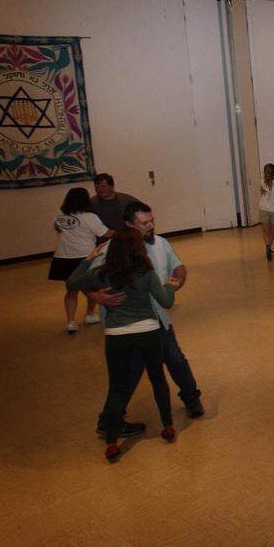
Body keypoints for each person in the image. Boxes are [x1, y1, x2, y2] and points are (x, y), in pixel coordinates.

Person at [88, 202, 205, 434]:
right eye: (144, 223)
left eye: (152, 220)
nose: (151, 226)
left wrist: (176, 282)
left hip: (158, 320)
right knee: (129, 373)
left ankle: (191, 398)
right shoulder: (111, 249)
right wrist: (96, 296)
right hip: (125, 325)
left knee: (175, 360)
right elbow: (86, 281)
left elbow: (179, 268)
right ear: (129, 224)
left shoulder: (161, 244)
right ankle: (110, 419)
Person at [67, 229, 179, 462]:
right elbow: (166, 301)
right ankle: (168, 427)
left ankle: (111, 442)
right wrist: (170, 285)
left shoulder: (103, 273)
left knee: (118, 387)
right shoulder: (145, 272)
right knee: (157, 379)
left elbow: (71, 283)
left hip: (117, 335)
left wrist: (87, 261)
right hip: (148, 331)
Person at [50, 187, 112, 332]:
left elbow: (60, 231)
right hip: (86, 257)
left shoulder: (59, 218)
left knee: (71, 290)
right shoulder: (91, 217)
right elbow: (106, 233)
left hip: (63, 258)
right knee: (92, 287)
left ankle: (70, 322)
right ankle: (89, 314)